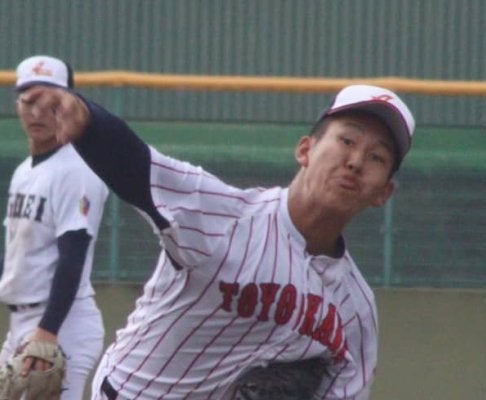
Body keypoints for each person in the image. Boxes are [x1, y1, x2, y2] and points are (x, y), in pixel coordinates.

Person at [21, 82, 416, 399]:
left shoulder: (355, 311)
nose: (356, 161)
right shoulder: (225, 217)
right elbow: (139, 169)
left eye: (377, 157)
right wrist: (88, 119)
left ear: (383, 193)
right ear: (305, 150)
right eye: (347, 141)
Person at [0, 55, 110, 400]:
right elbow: (18, 244)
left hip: (62, 324)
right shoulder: (25, 171)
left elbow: (72, 257)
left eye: (49, 102)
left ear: (69, 106)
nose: (37, 112)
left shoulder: (77, 170)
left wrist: (48, 331)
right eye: (28, 101)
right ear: (17, 105)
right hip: (24, 324)